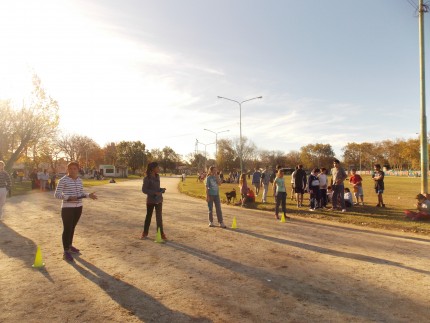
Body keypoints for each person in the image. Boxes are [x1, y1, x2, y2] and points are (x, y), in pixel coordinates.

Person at [55, 161, 97, 262]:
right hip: (67, 208)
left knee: (72, 227)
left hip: (78, 207)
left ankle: (69, 246)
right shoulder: (63, 180)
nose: (72, 171)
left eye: (74, 169)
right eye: (70, 169)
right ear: (67, 169)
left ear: (78, 169)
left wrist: (88, 195)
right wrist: (69, 198)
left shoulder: (79, 180)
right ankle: (66, 252)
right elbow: (57, 194)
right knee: (67, 228)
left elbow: (80, 193)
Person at [141, 162, 167, 239]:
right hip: (150, 201)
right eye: (157, 167)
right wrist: (154, 193)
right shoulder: (146, 179)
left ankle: (161, 234)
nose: (159, 169)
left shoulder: (158, 176)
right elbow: (144, 189)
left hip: (159, 200)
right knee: (148, 216)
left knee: (159, 218)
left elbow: (157, 188)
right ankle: (145, 233)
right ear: (153, 169)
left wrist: (161, 190)